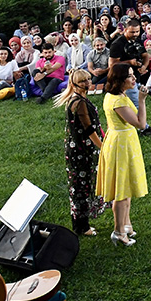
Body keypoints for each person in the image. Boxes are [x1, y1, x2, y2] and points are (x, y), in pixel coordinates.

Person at [95, 63, 148, 247]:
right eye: (130, 76)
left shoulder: (116, 95)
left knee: (127, 188)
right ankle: (118, 232)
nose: (134, 79)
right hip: (121, 145)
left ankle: (126, 224)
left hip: (124, 141)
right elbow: (141, 124)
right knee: (122, 191)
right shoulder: (117, 100)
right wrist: (141, 100)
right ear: (120, 80)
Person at [56, 70, 105, 236]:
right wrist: (103, 146)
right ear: (75, 83)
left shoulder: (79, 99)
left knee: (80, 187)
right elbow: (89, 128)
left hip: (81, 148)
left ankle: (80, 224)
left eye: (89, 79)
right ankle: (82, 227)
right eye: (84, 81)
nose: (88, 83)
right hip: (81, 151)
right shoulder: (78, 102)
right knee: (81, 188)